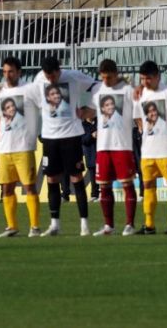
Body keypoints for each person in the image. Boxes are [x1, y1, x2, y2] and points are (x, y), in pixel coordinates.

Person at [30, 55, 98, 237]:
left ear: (59, 70)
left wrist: (90, 108)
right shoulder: (38, 79)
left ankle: (84, 224)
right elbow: (35, 102)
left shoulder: (73, 77)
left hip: (71, 136)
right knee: (52, 180)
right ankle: (55, 225)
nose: (51, 79)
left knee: (76, 178)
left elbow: (97, 86)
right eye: (48, 76)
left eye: (53, 75)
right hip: (50, 138)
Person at [83, 59, 137, 237]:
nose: (106, 80)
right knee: (104, 187)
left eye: (109, 77)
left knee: (127, 184)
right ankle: (109, 226)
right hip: (103, 146)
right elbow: (91, 111)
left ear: (116, 74)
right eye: (103, 77)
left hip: (122, 146)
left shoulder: (127, 90)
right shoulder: (98, 90)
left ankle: (129, 224)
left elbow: (138, 114)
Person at [0, 55, 40, 238]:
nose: (7, 75)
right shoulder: (0, 95)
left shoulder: (29, 90)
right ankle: (12, 226)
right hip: (5, 149)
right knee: (7, 188)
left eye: (11, 71)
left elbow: (44, 105)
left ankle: (35, 227)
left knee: (29, 187)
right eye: (4, 71)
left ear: (19, 72)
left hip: (23, 147)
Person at [133, 60, 167, 235]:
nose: (146, 82)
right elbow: (138, 117)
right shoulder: (141, 95)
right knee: (147, 185)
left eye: (149, 78)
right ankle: (149, 224)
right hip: (148, 150)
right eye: (143, 78)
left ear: (157, 76)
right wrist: (142, 129)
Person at [82, 116, 99, 201]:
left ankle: (103, 193)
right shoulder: (82, 125)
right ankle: (94, 194)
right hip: (91, 153)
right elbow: (83, 140)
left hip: (101, 152)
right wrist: (92, 135)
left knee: (104, 173)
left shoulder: (99, 121)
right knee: (93, 175)